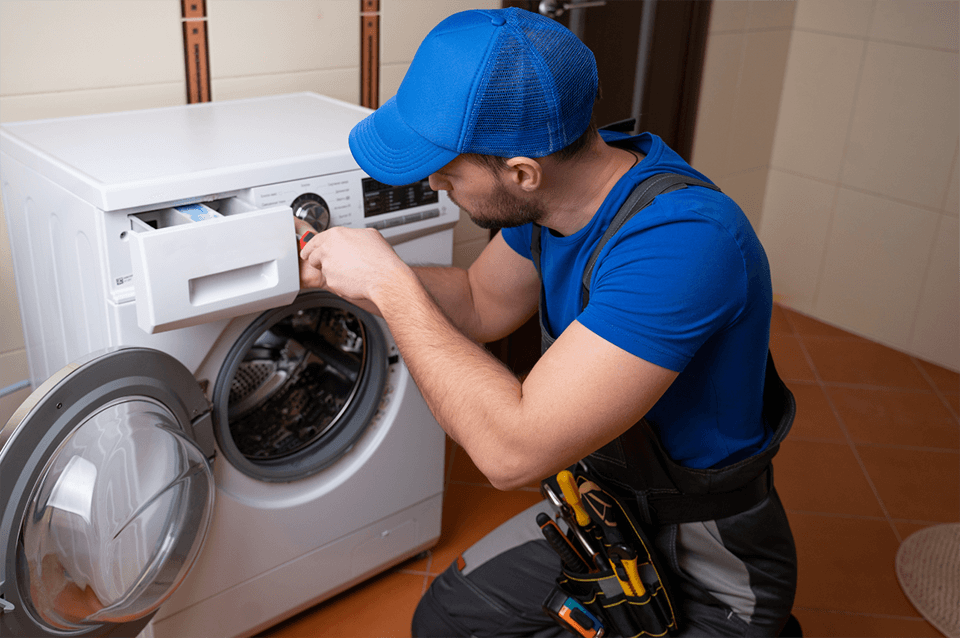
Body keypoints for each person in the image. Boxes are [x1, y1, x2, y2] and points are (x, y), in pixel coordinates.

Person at [297, 7, 798, 637]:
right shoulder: (556, 202)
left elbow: (511, 452)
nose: (433, 182)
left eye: (448, 171)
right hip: (602, 514)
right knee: (448, 620)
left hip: (704, 551)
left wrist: (392, 289)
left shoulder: (684, 242)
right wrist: (352, 273)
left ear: (522, 171)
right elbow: (481, 302)